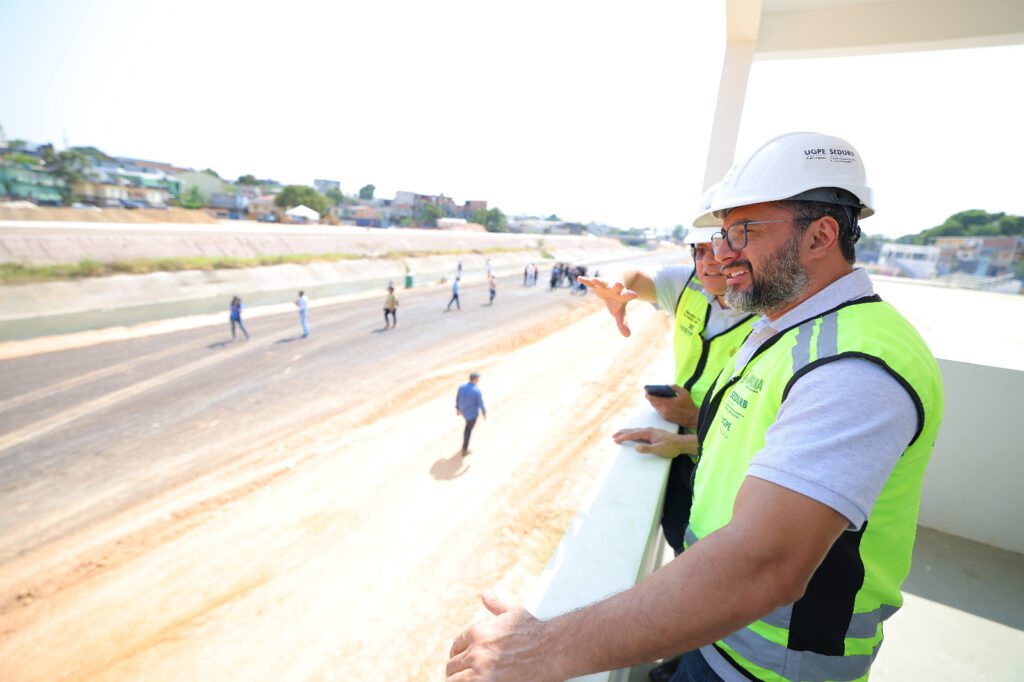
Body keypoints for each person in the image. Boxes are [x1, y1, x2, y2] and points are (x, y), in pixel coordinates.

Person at [446, 132, 944, 682]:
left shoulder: (853, 366)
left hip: (768, 665)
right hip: (720, 633)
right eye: (720, 234)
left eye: (743, 232)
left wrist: (542, 648)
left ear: (821, 235)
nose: (722, 251)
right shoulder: (787, 328)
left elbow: (765, 564)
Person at [455, 372, 486, 455]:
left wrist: (457, 408)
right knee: (468, 430)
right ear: (475, 380)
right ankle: (465, 449)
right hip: (472, 414)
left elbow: (458, 398)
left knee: (467, 428)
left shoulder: (461, 387)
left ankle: (464, 445)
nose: (478, 380)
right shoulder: (476, 390)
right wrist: (484, 413)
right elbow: (480, 403)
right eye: (478, 378)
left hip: (464, 412)